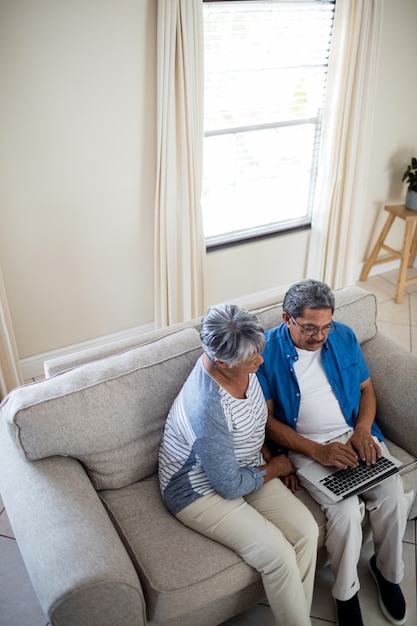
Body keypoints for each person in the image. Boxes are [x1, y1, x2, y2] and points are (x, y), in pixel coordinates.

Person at [256, 279, 414, 626]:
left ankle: (388, 572)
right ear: (287, 318)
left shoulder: (342, 336)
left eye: (325, 326)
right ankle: (346, 593)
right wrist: (318, 451)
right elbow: (267, 421)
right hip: (306, 446)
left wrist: (361, 429)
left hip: (352, 433)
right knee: (344, 513)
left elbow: (367, 390)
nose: (320, 336)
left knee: (392, 493)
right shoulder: (265, 352)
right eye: (311, 328)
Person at [158, 303, 318, 626]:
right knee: (279, 556)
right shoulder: (207, 406)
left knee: (307, 531)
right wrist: (275, 469)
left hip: (246, 465)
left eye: (259, 352)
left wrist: (269, 457)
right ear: (220, 363)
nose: (260, 361)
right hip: (198, 490)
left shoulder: (241, 364)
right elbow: (228, 485)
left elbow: (253, 420)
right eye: (251, 359)